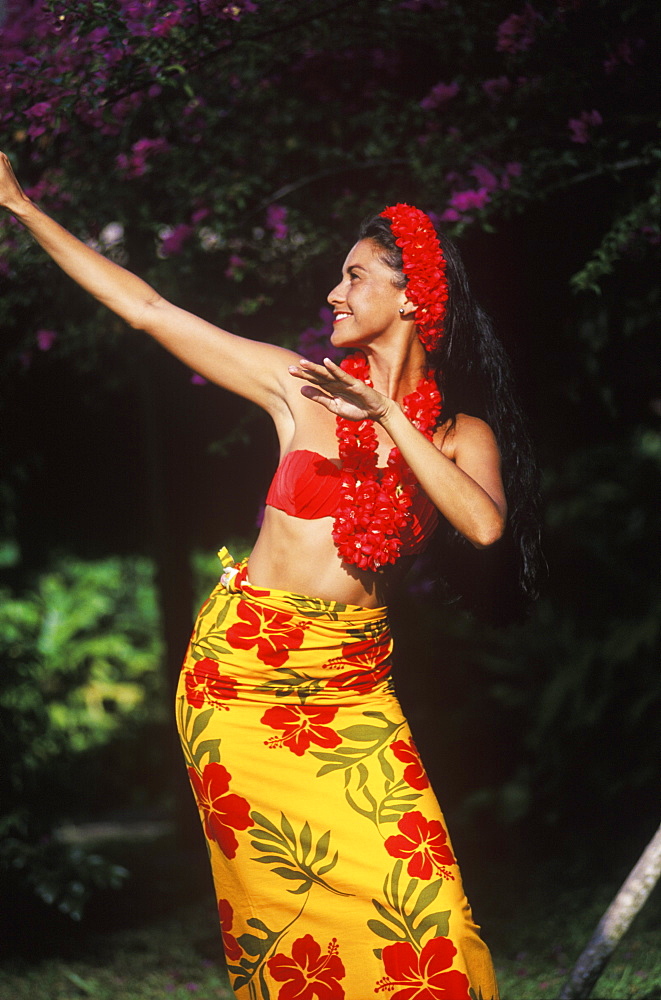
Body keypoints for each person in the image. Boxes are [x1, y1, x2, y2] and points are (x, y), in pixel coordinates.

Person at [1, 150, 541, 999]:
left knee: (429, 909)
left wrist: (388, 416)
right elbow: (147, 309)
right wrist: (23, 208)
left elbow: (481, 524)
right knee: (292, 929)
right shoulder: (298, 390)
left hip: (353, 684)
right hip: (241, 679)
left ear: (412, 296)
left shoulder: (456, 433)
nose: (333, 294)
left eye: (354, 277)